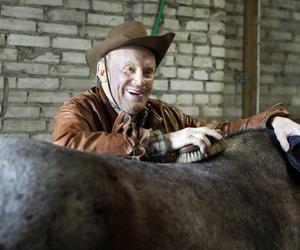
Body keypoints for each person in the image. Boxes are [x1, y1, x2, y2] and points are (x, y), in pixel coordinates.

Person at [52, 20, 300, 162]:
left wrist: (272, 119)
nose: (140, 81)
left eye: (148, 71)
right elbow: (67, 144)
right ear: (103, 72)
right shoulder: (81, 108)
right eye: (129, 69)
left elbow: (222, 130)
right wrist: (165, 142)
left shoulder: (163, 114)